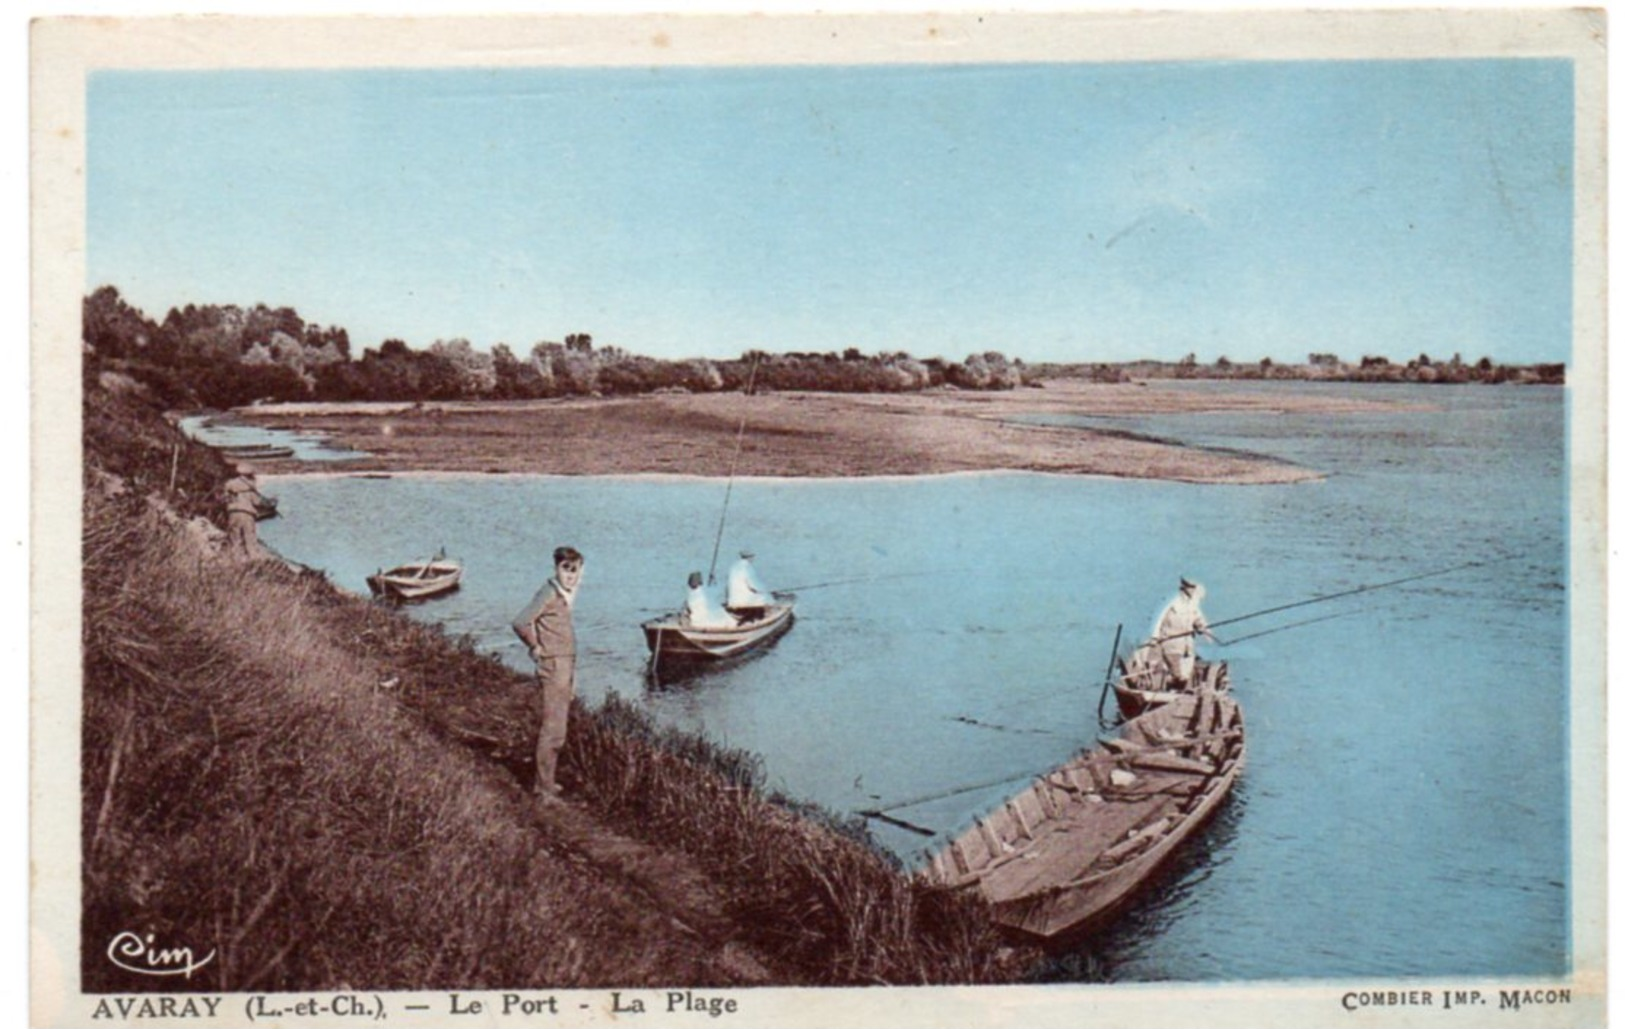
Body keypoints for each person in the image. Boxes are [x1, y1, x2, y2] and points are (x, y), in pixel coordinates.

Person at [511, 546, 584, 800]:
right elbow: (521, 622)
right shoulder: (549, 593)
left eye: (574, 570)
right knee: (552, 730)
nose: (570, 576)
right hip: (553, 666)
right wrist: (535, 646)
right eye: (566, 569)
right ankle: (543, 789)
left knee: (559, 730)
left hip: (564, 666)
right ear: (556, 569)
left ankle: (548, 782)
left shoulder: (564, 593)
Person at [1150, 577, 1216, 689]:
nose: (1194, 590)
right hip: (1171, 644)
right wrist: (1154, 637)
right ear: (1184, 588)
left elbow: (1198, 619)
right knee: (1179, 675)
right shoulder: (1171, 601)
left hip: (1187, 646)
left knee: (1185, 676)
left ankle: (1176, 689)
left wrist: (1202, 628)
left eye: (1194, 588)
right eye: (1191, 588)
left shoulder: (1193, 604)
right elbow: (1157, 619)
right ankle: (1170, 685)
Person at [222, 464, 264, 559]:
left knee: (235, 538)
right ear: (250, 474)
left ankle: (237, 560)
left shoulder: (229, 484)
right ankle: (254, 560)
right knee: (250, 539)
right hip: (247, 514)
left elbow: (225, 499)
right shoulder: (250, 486)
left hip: (233, 513)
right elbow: (257, 502)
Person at [725, 549, 772, 621]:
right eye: (753, 557)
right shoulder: (747, 568)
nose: (753, 559)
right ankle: (759, 617)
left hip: (734, 599)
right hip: (746, 601)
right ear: (749, 557)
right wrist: (765, 590)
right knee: (764, 597)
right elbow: (754, 585)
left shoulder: (734, 566)